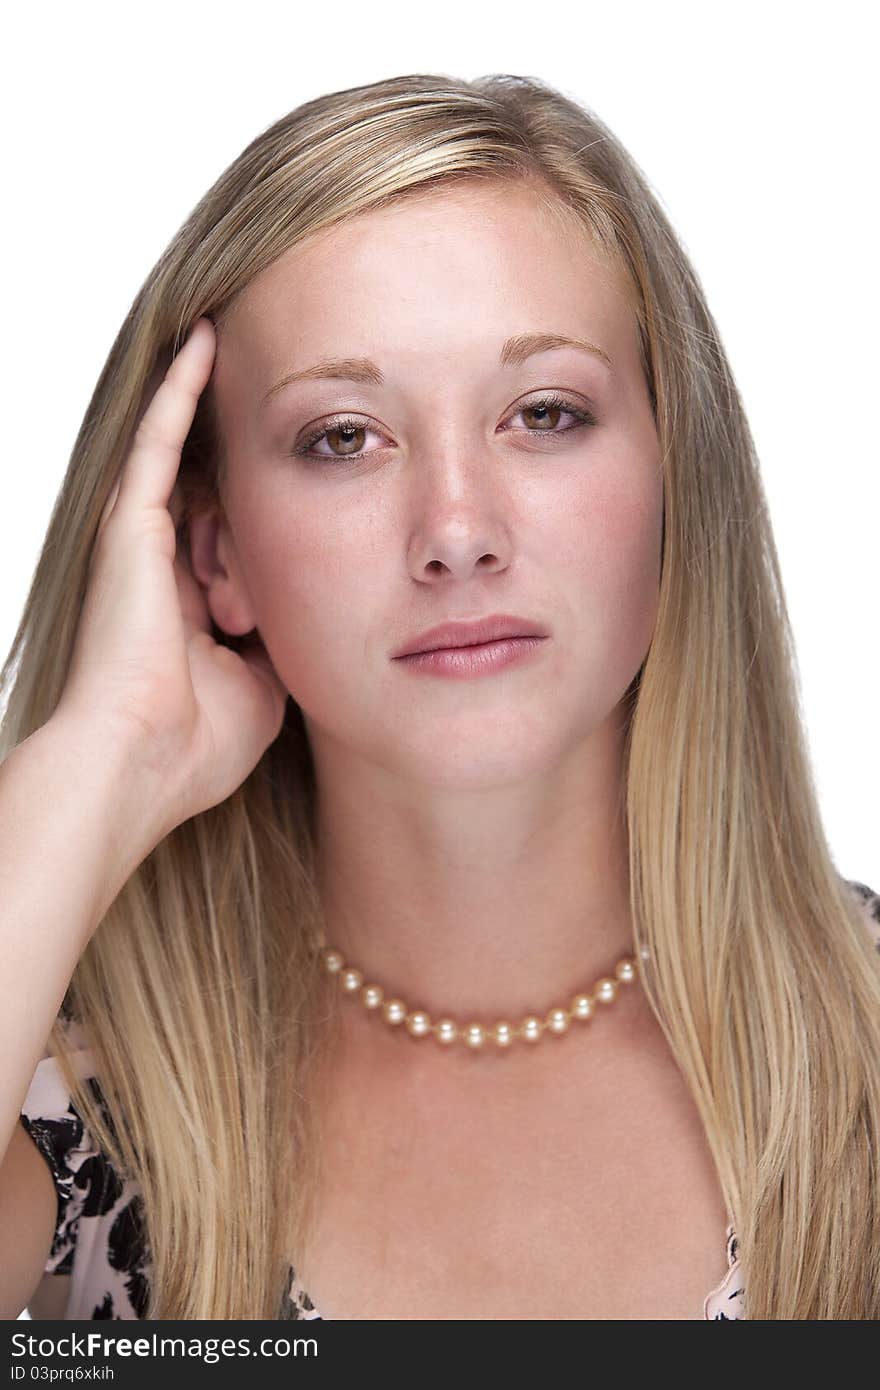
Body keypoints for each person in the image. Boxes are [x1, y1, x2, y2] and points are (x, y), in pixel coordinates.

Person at [1, 72, 878, 1324]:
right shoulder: (74, 1109)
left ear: (678, 483)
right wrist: (101, 753)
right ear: (214, 554)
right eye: (342, 437)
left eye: (544, 413)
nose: (457, 532)